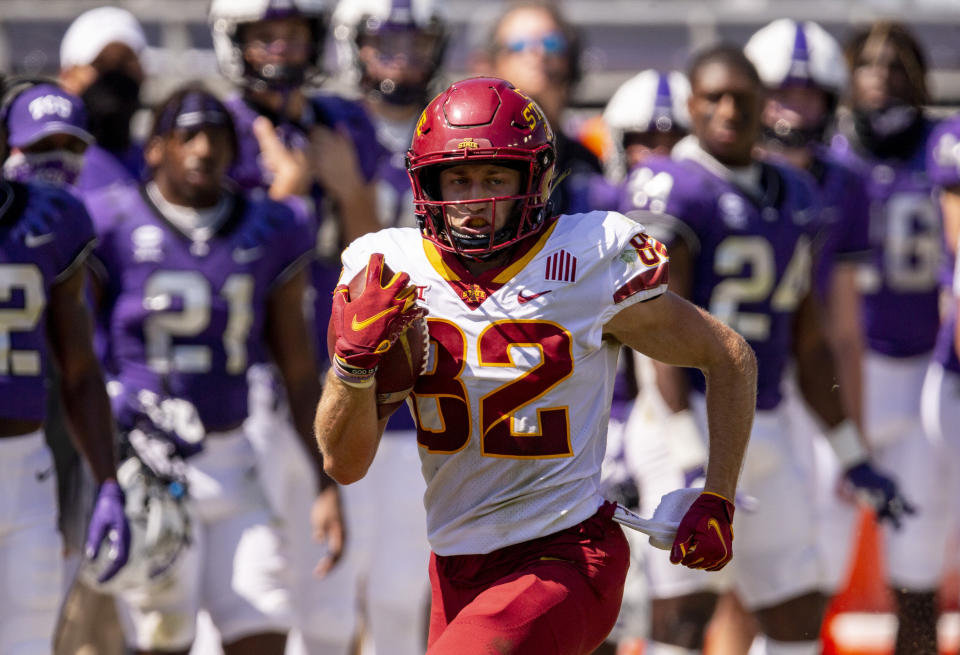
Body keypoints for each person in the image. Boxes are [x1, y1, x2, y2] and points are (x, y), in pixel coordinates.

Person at [315, 75, 758, 655]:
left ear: (535, 178)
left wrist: (718, 495)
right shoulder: (387, 270)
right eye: (460, 178)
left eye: (495, 178)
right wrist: (351, 367)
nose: (474, 201)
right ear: (427, 182)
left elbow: (728, 357)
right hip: (454, 561)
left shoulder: (586, 258)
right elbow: (342, 464)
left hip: (565, 551)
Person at [620, 45, 910, 655]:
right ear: (692, 105)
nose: (728, 110)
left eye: (741, 98)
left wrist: (852, 454)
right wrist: (683, 449)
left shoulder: (798, 193)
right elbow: (655, 335)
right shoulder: (674, 186)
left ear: (763, 105)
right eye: (714, 97)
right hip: (689, 414)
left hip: (769, 419)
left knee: (797, 604)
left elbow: (810, 340)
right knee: (686, 607)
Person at [84, 85, 336, 655]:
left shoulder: (269, 227)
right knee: (163, 638)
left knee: (266, 626)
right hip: (147, 461)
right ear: (156, 148)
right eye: (187, 135)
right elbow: (77, 355)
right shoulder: (112, 221)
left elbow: (297, 369)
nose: (204, 149)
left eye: (218, 136)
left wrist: (325, 481)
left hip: (234, 456)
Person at [831, 21, 949, 655]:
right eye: (869, 62)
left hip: (925, 373)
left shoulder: (943, 148)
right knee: (810, 564)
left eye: (898, 62)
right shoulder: (834, 158)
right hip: (845, 380)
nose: (883, 73)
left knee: (918, 573)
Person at [0, 89, 130, 651]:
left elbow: (79, 370)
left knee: (30, 640)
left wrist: (107, 481)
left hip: (27, 470)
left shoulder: (54, 217)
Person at [593, 68, 692, 655]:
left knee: (680, 595)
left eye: (673, 141)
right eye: (643, 143)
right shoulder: (592, 216)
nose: (657, 160)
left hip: (663, 419)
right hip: (598, 422)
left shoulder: (696, 215)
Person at [472, 0, 606, 215]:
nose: (539, 53)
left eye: (552, 43)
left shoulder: (590, 162)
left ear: (570, 62)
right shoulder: (468, 154)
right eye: (519, 45)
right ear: (488, 64)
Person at [58, 5, 148, 191]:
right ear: (68, 76)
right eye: (100, 64)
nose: (114, 74)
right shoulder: (51, 166)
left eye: (125, 62)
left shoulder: (159, 166)